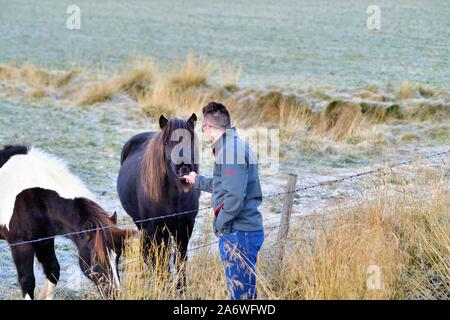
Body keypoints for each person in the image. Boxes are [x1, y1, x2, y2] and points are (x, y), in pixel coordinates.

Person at [183, 102, 264, 300]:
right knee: (244, 293)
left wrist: (220, 225)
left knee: (241, 297)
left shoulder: (230, 151)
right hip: (241, 231)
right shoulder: (233, 146)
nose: (205, 133)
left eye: (204, 128)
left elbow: (234, 198)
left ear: (209, 128)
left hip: (238, 233)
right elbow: (225, 185)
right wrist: (197, 181)